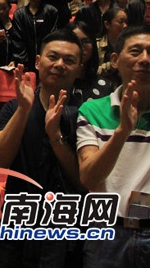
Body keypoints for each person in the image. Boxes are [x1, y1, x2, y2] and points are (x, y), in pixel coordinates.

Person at [0, 30, 85, 267]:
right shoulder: (14, 107)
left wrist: (56, 137)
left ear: (79, 69)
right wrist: (24, 110)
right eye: (53, 57)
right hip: (18, 224)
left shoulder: (85, 113)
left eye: (69, 60)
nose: (60, 64)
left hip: (66, 229)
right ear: (37, 61)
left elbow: (84, 181)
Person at [77, 25, 150, 267]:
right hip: (105, 232)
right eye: (136, 51)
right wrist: (122, 133)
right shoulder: (92, 111)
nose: (145, 60)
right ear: (115, 60)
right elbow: (89, 177)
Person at [12, 0, 59, 72]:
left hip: (46, 62)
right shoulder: (19, 14)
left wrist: (47, 59)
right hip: (26, 63)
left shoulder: (51, 12)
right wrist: (23, 61)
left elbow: (53, 38)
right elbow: (18, 41)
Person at [66, 21, 112, 105]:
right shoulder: (55, 83)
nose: (80, 47)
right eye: (75, 41)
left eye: (86, 41)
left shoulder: (105, 86)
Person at [97, 7, 127, 84]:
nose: (125, 26)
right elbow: (91, 71)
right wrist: (111, 66)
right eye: (121, 22)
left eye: (126, 22)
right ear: (107, 24)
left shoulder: (130, 45)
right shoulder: (96, 45)